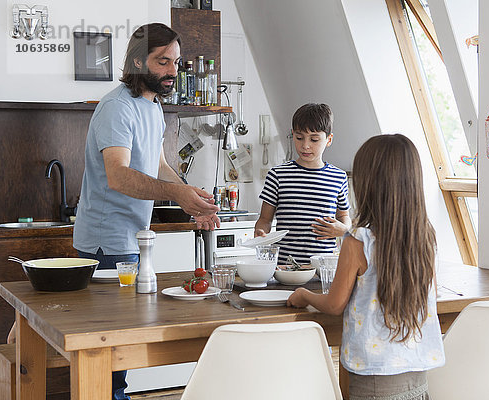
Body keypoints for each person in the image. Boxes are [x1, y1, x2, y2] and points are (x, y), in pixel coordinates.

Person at [73, 23, 220, 400]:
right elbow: (119, 176)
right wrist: (177, 193)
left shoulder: (152, 105)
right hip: (106, 245)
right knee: (108, 350)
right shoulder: (116, 107)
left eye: (176, 62)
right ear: (138, 61)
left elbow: (156, 165)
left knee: (121, 349)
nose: (172, 70)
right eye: (162, 62)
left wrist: (190, 196)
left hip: (132, 241)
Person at [287, 134, 445, 399]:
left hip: (374, 380)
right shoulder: (425, 236)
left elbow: (335, 305)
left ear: (369, 183)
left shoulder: (359, 240)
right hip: (417, 375)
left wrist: (304, 295)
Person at [254, 103, 351, 265]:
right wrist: (261, 232)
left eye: (314, 139)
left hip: (323, 266)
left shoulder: (339, 177)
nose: (305, 145)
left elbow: (344, 216)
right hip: (285, 266)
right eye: (299, 137)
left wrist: (344, 229)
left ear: (329, 140)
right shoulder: (278, 175)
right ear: (293, 135)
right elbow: (265, 219)